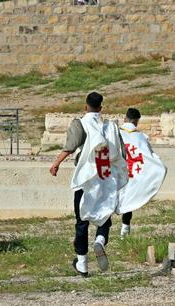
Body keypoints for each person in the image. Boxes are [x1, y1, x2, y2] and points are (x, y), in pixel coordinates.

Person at [50, 92, 128, 277]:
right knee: (105, 214)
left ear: (86, 107)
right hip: (105, 178)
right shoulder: (111, 127)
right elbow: (121, 153)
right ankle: (100, 240)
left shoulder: (81, 124)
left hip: (85, 182)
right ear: (101, 108)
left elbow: (70, 146)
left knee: (82, 222)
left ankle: (82, 265)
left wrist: (56, 163)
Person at [117, 108, 167, 238]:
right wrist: (159, 165)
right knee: (130, 197)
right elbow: (148, 155)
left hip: (117, 171)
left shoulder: (115, 133)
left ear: (125, 118)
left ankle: (103, 232)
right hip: (133, 172)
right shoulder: (140, 137)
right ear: (137, 121)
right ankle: (125, 228)